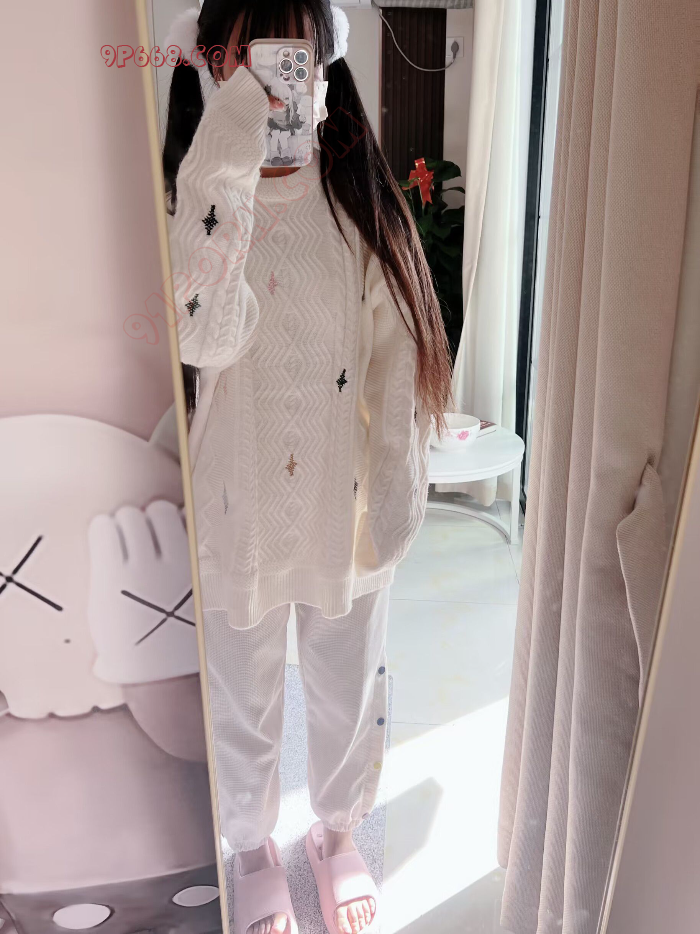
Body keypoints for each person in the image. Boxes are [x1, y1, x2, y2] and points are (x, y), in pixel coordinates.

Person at [162, 3, 451, 933]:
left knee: (344, 684)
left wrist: (397, 487)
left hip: (342, 506)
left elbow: (394, 357)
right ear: (216, 66)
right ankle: (251, 845)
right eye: (248, 57)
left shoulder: (358, 204)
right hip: (239, 508)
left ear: (324, 68)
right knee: (241, 693)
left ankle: (335, 832)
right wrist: (224, 157)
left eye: (292, 55)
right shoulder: (199, 201)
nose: (272, 77)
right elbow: (206, 334)